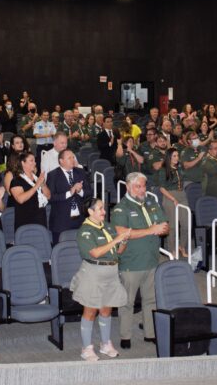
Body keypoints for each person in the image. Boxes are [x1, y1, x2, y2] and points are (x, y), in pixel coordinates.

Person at [111, 172, 168, 349]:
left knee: (150, 300)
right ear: (128, 187)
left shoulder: (151, 203)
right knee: (127, 302)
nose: (142, 190)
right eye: (138, 186)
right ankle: (125, 336)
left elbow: (165, 227)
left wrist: (161, 229)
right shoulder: (121, 208)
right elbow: (122, 233)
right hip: (131, 263)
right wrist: (152, 230)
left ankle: (150, 333)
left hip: (151, 260)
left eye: (144, 186)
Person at [71, 198, 130, 361]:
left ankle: (105, 344)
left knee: (106, 310)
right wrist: (116, 240)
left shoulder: (108, 227)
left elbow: (118, 251)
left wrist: (123, 240)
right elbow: (95, 253)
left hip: (111, 272)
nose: (104, 211)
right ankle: (86, 348)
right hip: (93, 273)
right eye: (100, 209)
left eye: (103, 208)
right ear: (90, 212)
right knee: (90, 310)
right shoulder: (85, 231)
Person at [46, 149, 91, 243]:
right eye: (69, 158)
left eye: (73, 157)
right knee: (61, 251)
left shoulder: (80, 172)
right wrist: (69, 193)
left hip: (79, 220)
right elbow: (51, 197)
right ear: (61, 161)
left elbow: (89, 192)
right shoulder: (52, 175)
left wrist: (80, 191)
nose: (73, 160)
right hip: (61, 221)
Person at [156, 148, 187, 257]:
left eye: (177, 155)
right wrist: (173, 199)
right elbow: (162, 188)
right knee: (173, 226)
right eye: (174, 156)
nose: (177, 158)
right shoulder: (163, 170)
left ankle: (182, 246)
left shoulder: (179, 167)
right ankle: (172, 249)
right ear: (169, 157)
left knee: (186, 224)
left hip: (182, 195)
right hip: (169, 196)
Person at [9, 151, 50, 230]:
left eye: (34, 161)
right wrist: (37, 185)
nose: (34, 163)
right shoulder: (16, 181)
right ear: (23, 163)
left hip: (40, 218)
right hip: (25, 220)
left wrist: (43, 184)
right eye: (31, 161)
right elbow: (20, 199)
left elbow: (48, 196)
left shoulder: (37, 178)